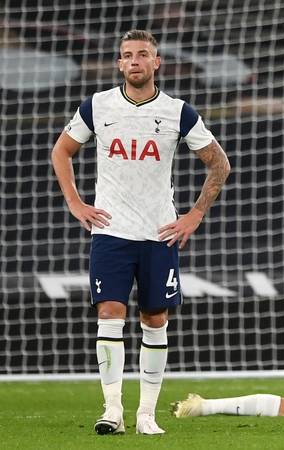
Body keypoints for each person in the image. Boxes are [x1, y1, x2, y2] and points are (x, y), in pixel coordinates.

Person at [51, 29, 230, 435]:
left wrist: (195, 214)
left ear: (156, 62)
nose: (135, 61)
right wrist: (75, 203)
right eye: (128, 55)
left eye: (143, 54)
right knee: (109, 313)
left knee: (155, 317)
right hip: (111, 232)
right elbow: (62, 150)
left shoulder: (178, 112)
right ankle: (112, 410)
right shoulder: (98, 106)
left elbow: (219, 163)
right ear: (119, 64)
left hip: (158, 233)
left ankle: (146, 415)